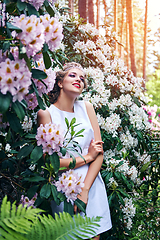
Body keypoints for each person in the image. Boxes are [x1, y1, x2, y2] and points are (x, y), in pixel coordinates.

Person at [37, 62, 112, 239]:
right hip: (64, 188)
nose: (79, 79)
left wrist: (85, 190)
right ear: (60, 82)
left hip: (91, 184)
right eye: (73, 75)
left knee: (95, 236)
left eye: (82, 78)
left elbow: (99, 153)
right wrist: (87, 157)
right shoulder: (46, 114)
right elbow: (50, 163)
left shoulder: (87, 108)